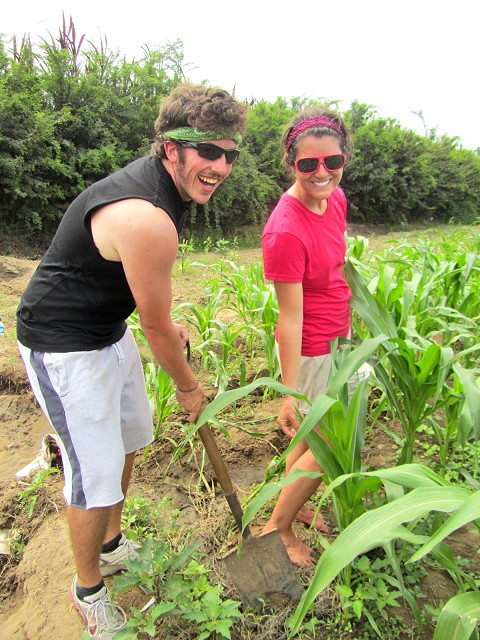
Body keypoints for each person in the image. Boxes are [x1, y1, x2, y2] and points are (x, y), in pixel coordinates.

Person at [16, 83, 247, 638]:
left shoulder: (171, 190)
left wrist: (165, 325)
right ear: (171, 148)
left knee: (132, 435)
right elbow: (156, 327)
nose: (220, 166)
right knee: (93, 473)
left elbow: (152, 309)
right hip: (62, 344)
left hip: (107, 330)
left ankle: (112, 543)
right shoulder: (146, 215)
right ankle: (87, 589)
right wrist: (188, 386)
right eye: (207, 151)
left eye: (230, 154)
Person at [261, 106, 354, 567]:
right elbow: (290, 319)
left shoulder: (335, 199)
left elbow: (334, 266)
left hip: (341, 335)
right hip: (313, 347)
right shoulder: (284, 231)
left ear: (343, 159)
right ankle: (278, 527)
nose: (322, 172)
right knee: (329, 442)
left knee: (310, 436)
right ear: (291, 163)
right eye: (308, 163)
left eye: (332, 161)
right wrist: (289, 394)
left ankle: (290, 504)